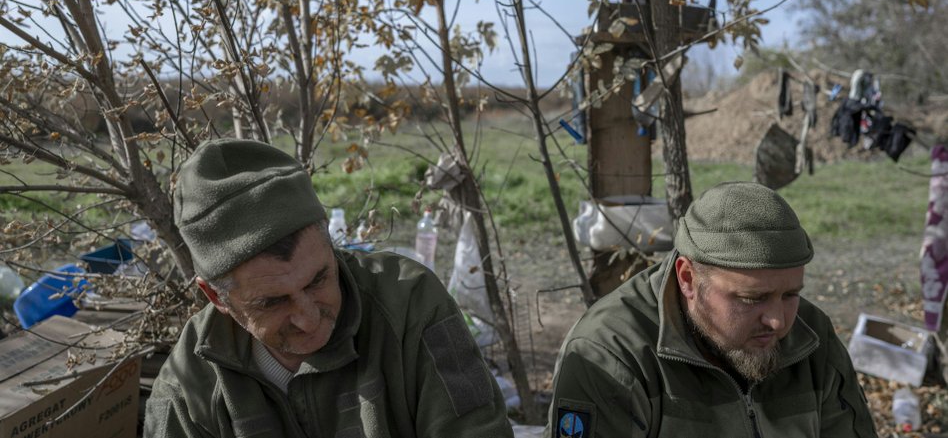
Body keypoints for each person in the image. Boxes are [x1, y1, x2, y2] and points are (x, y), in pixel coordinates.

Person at [144, 138, 513, 438]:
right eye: (272, 302)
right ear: (216, 297)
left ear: (330, 243)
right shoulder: (188, 388)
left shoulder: (410, 307)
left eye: (319, 279)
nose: (308, 318)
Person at [548, 181, 878, 438]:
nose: (777, 321)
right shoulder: (612, 354)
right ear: (688, 279)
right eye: (752, 298)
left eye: (791, 294)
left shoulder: (812, 337)